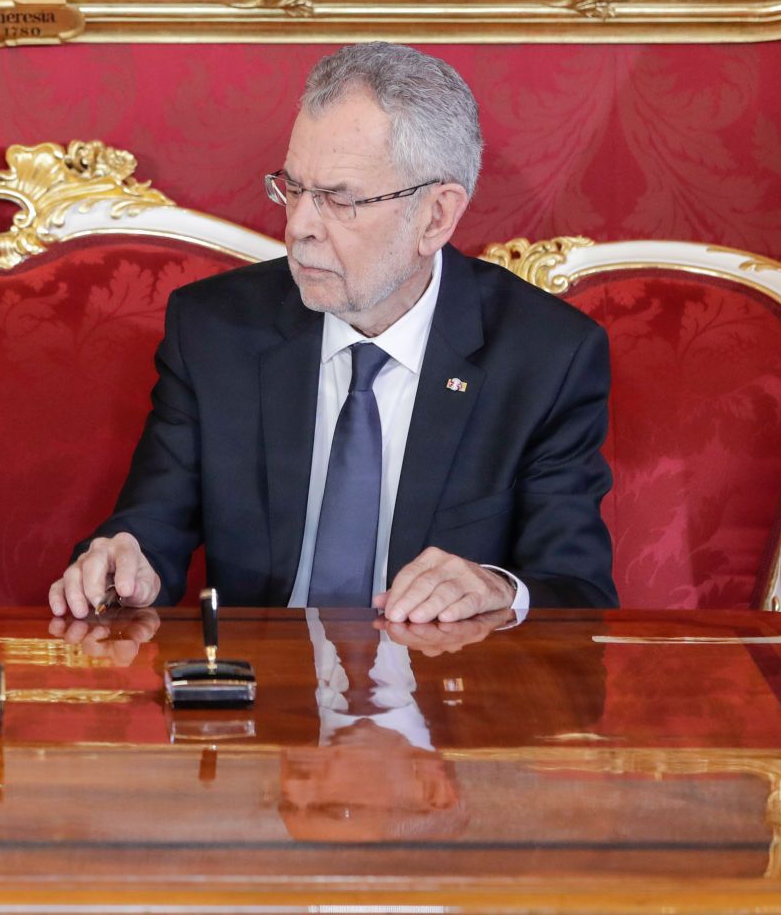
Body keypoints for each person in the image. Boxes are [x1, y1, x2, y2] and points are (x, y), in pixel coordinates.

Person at [48, 42, 615, 623]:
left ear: (437, 216)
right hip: (259, 693)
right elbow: (152, 525)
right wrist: (124, 561)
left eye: (339, 200)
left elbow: (578, 593)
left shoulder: (547, 359)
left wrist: (498, 588)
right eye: (292, 189)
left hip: (441, 697)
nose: (298, 228)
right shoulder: (215, 330)